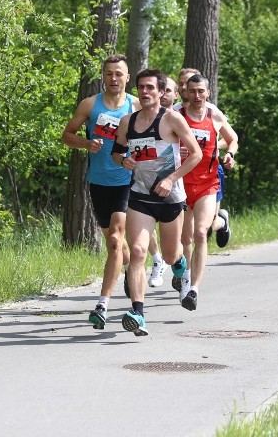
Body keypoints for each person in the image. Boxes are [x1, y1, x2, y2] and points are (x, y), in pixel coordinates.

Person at [111, 69, 202, 336]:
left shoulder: (172, 119)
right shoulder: (128, 122)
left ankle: (180, 268)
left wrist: (171, 178)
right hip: (140, 195)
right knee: (138, 252)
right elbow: (117, 152)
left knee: (173, 254)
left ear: (162, 92)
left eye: (151, 87)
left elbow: (195, 154)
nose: (145, 92)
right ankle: (137, 313)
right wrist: (123, 161)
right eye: (141, 87)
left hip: (170, 197)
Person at [61, 55, 140, 329]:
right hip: (98, 181)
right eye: (109, 74)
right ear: (103, 76)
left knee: (116, 241)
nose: (114, 78)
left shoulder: (135, 106)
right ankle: (132, 269)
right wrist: (85, 143)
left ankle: (102, 304)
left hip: (126, 179)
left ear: (127, 78)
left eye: (119, 74)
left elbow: (153, 136)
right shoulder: (90, 105)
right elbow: (66, 135)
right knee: (114, 242)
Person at [177, 74, 237, 311]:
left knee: (200, 234)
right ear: (187, 93)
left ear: (208, 92)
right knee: (185, 239)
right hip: (181, 184)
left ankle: (194, 289)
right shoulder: (177, 116)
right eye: (192, 91)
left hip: (207, 184)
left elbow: (233, 139)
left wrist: (230, 154)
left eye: (201, 91)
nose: (197, 96)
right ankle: (221, 222)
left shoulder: (215, 115)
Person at [146, 76, 180, 288]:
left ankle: (179, 267)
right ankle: (155, 260)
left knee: (181, 244)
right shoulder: (140, 117)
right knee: (140, 243)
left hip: (177, 187)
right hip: (143, 186)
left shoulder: (177, 118)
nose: (164, 93)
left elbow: (197, 151)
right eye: (162, 89)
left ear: (176, 94)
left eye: (169, 90)